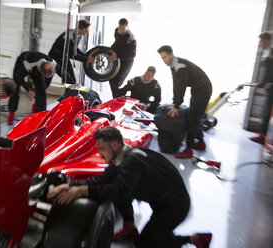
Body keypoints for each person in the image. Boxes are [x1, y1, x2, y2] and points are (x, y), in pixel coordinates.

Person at [48, 126, 212, 248]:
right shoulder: (125, 155)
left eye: (101, 148)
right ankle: (130, 227)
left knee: (147, 243)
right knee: (115, 186)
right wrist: (71, 187)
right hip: (162, 199)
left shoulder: (133, 160)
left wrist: (81, 191)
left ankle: (193, 239)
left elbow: (119, 191)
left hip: (174, 206)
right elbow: (102, 178)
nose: (99, 153)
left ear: (114, 146)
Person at [157, 45, 212, 158]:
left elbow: (180, 86)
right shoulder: (174, 64)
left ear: (171, 54)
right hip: (198, 88)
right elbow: (176, 84)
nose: (164, 60)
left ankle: (189, 150)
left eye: (166, 57)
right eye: (162, 58)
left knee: (192, 119)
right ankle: (201, 143)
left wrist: (176, 105)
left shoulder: (178, 65)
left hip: (203, 89)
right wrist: (175, 102)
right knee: (194, 115)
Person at [7, 51, 57, 125]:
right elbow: (19, 77)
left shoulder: (52, 63)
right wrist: (28, 89)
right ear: (41, 72)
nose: (47, 77)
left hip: (37, 67)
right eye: (45, 76)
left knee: (42, 89)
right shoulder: (27, 65)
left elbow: (53, 75)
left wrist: (72, 82)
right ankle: (11, 112)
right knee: (15, 87)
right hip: (23, 63)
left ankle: (40, 113)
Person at [48, 19, 90, 84]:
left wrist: (86, 55)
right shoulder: (69, 36)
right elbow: (72, 54)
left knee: (72, 80)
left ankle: (67, 93)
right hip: (55, 58)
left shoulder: (78, 35)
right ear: (80, 29)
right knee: (47, 81)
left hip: (64, 57)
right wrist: (86, 59)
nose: (87, 32)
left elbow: (75, 50)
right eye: (86, 30)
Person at [250, 32, 273, 145]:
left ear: (268, 40)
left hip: (271, 87)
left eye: (261, 41)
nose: (260, 44)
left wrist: (260, 84)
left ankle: (263, 136)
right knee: (266, 111)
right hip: (269, 86)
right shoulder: (268, 52)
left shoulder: (270, 53)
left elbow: (268, 73)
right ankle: (263, 135)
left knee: (266, 112)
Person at [108, 18, 137, 98]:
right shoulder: (116, 31)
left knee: (116, 82)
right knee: (111, 78)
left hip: (127, 62)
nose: (121, 30)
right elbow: (117, 42)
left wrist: (117, 55)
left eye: (123, 29)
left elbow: (132, 55)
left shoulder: (131, 39)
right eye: (120, 28)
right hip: (117, 58)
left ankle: (120, 97)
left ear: (127, 26)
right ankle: (117, 98)